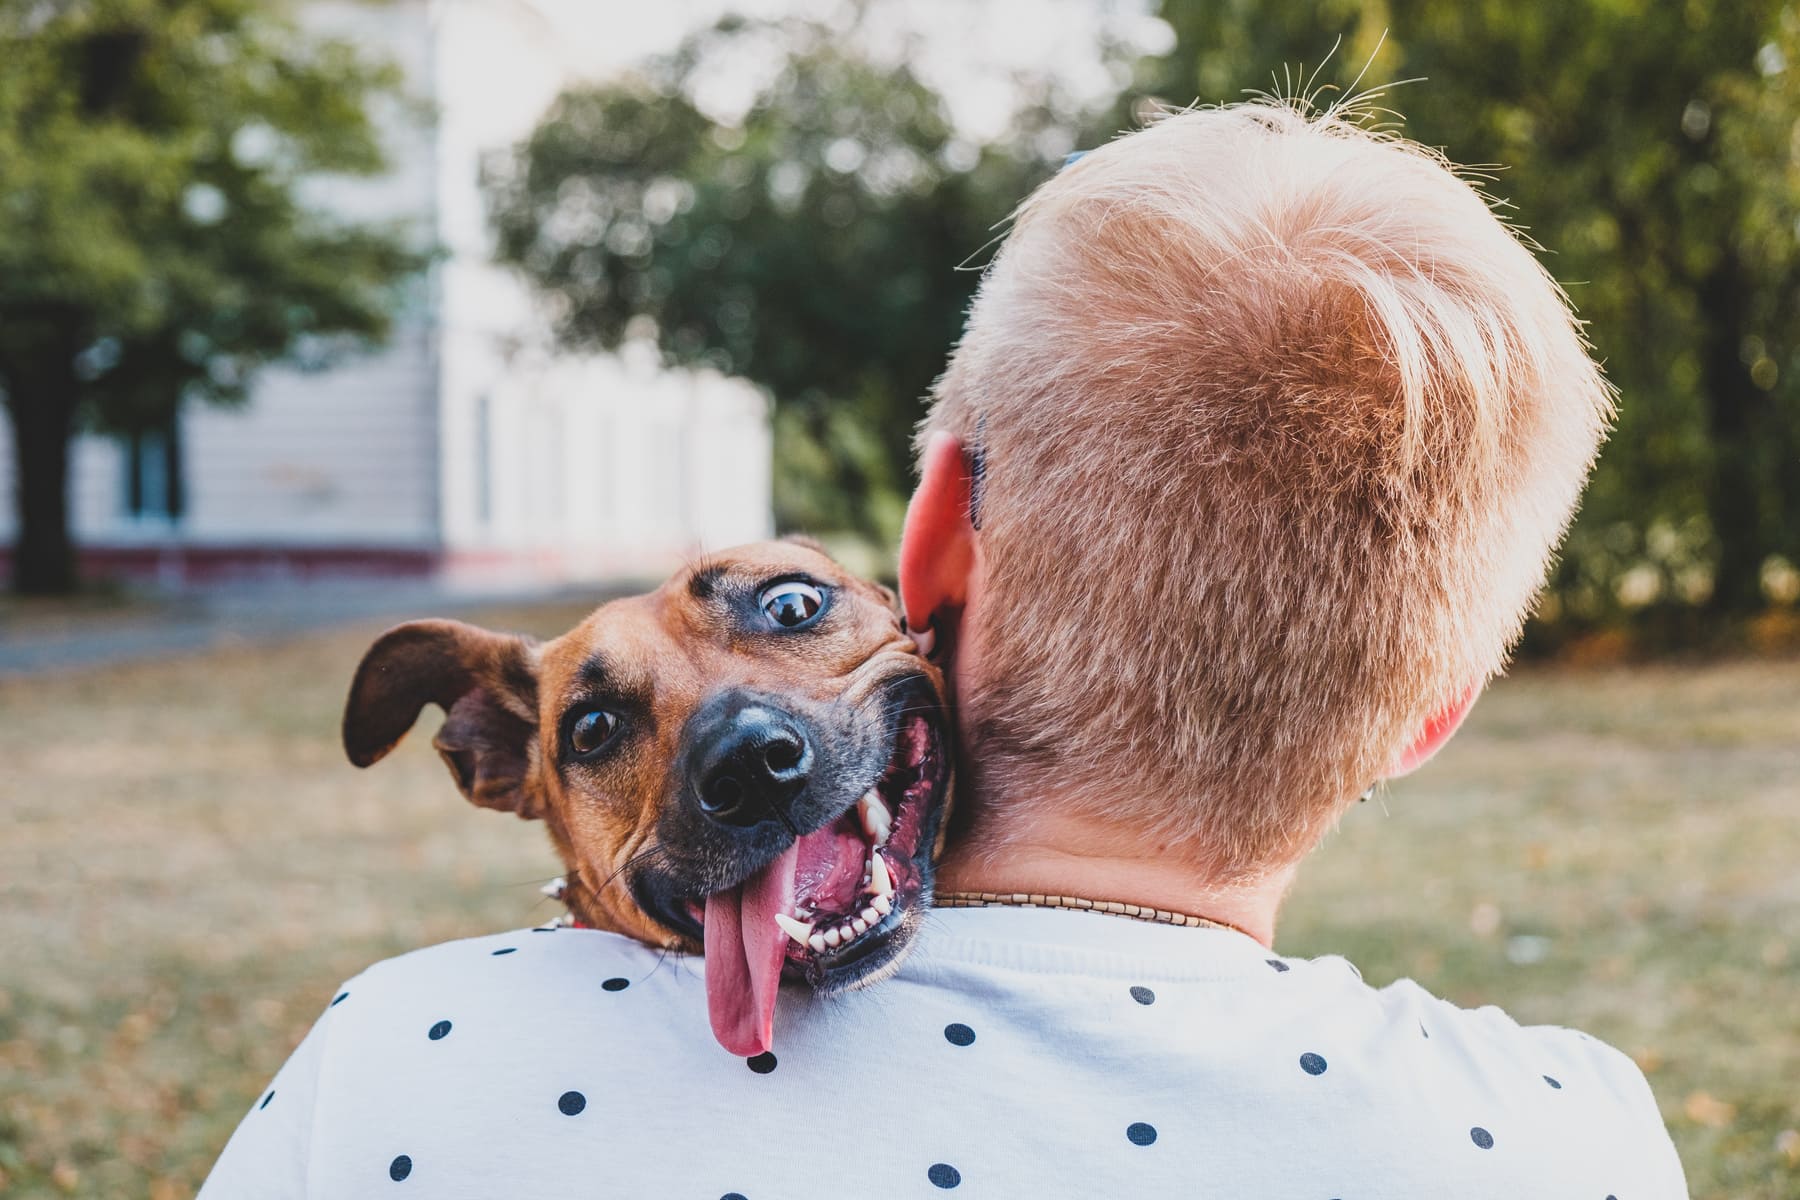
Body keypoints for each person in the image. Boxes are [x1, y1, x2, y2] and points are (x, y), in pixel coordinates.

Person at [199, 102, 1686, 1198]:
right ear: (1436, 712)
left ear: (928, 550)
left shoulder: (402, 1063)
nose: (744, 734)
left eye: (784, 612)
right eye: (601, 728)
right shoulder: (1573, 1137)